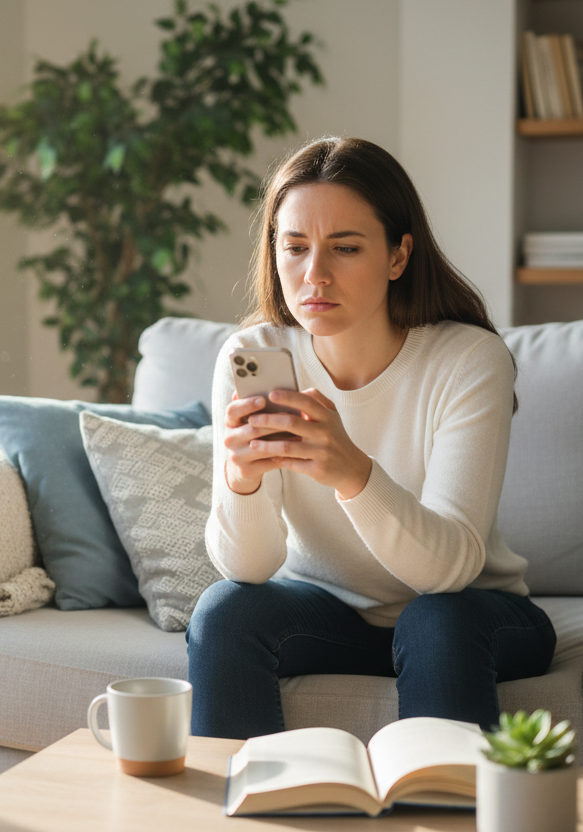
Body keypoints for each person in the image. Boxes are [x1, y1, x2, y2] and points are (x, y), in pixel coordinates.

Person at [187, 137, 555, 740]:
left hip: (471, 613)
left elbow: (450, 570)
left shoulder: (468, 360)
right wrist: (242, 480)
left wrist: (351, 472)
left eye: (346, 248)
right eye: (295, 248)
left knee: (435, 621)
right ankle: (249, 807)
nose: (315, 275)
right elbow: (249, 570)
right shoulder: (254, 357)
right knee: (225, 611)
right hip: (327, 615)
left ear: (397, 254)